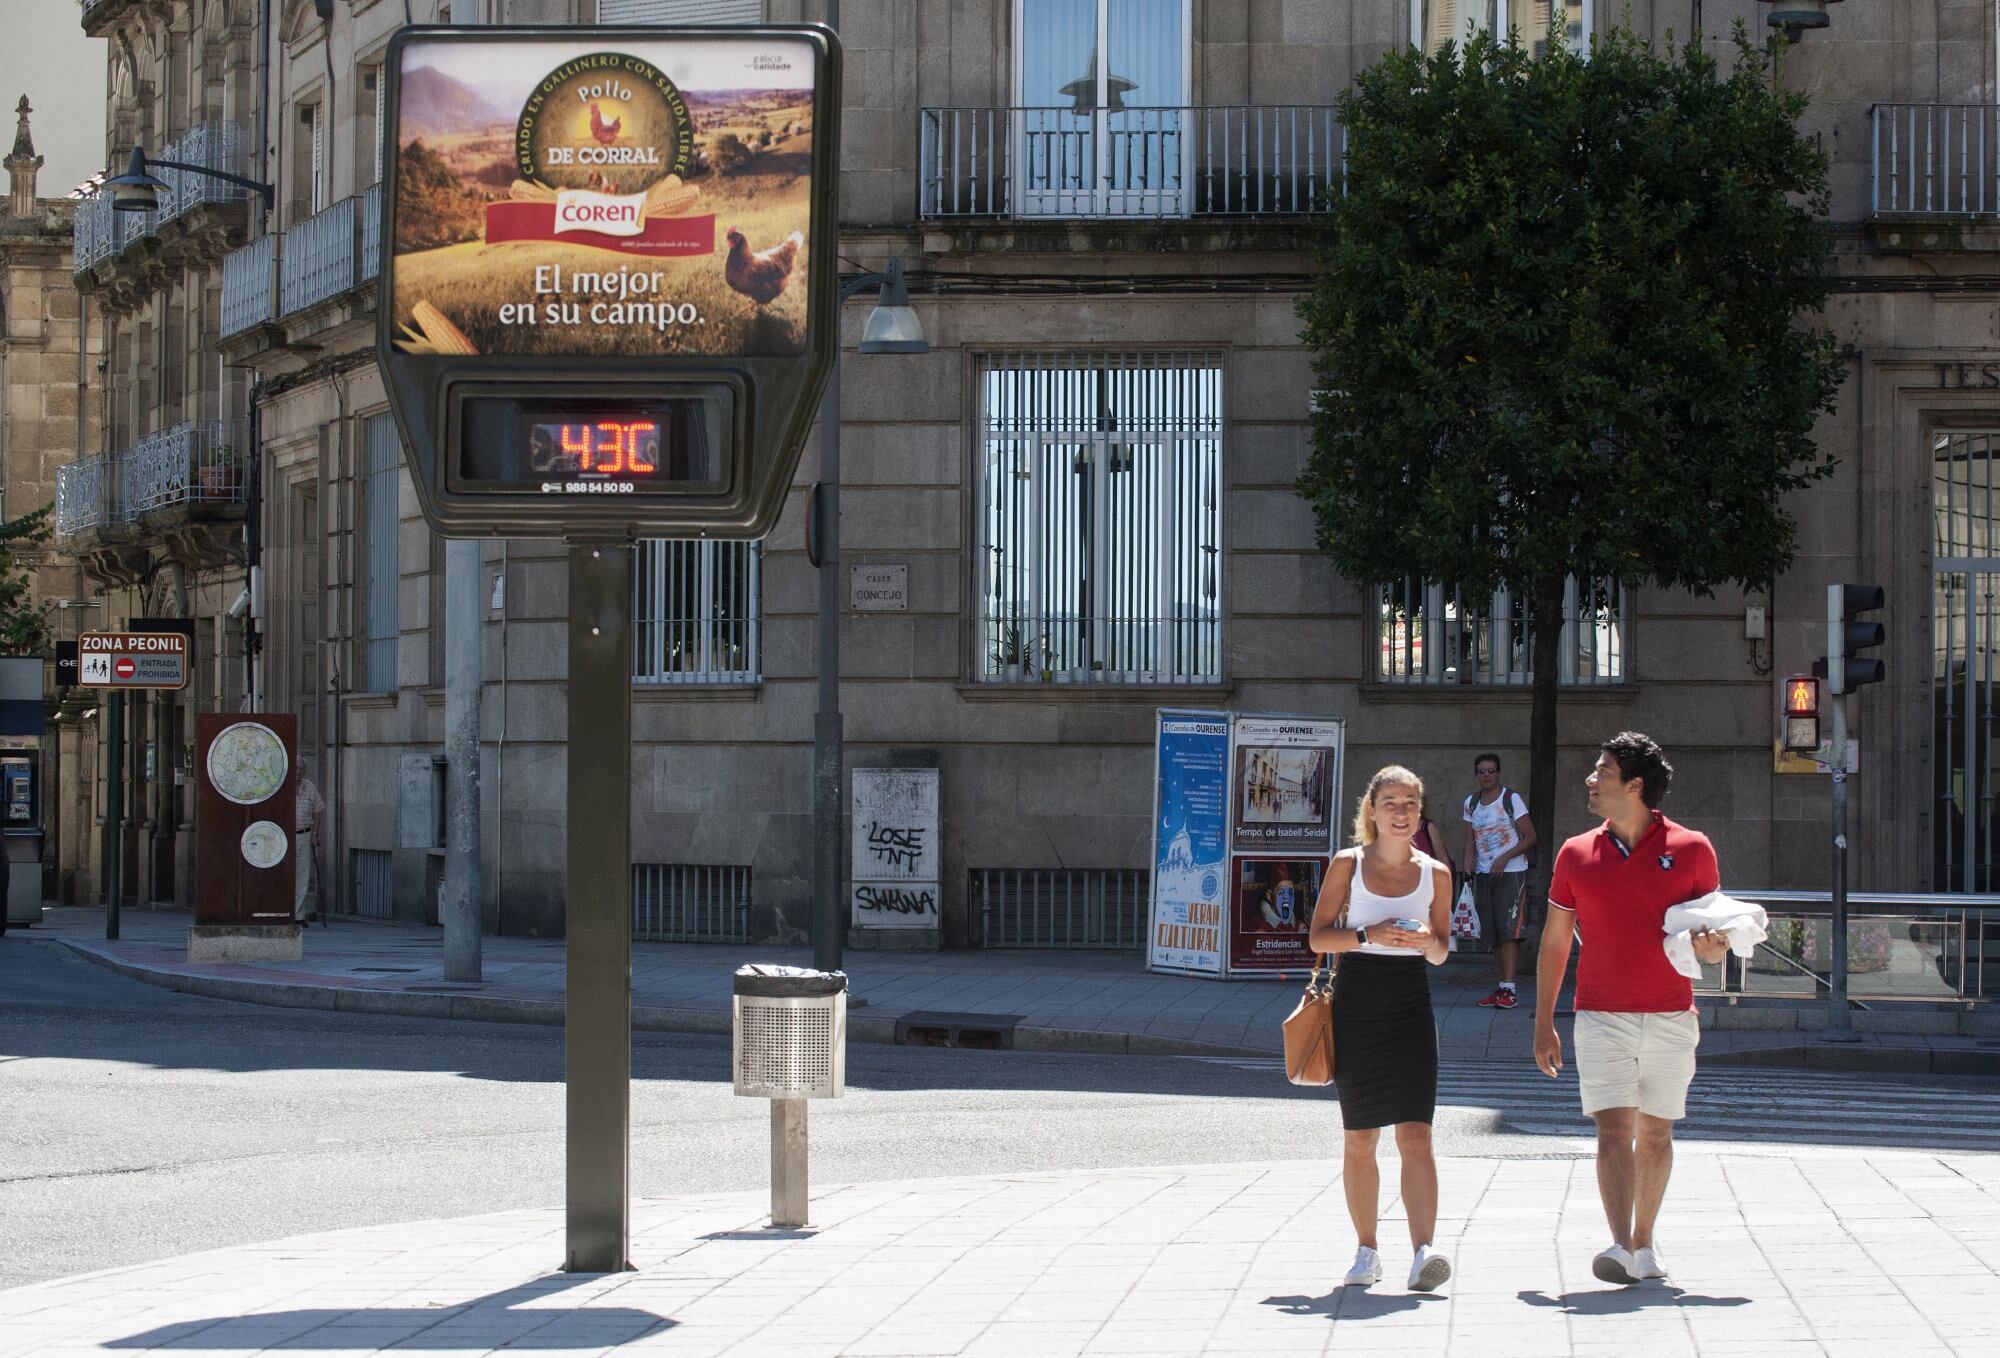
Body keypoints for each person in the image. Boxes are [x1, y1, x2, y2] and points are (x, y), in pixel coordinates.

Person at [1533, 731, 1731, 1286]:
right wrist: (1543, 1021)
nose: (1591, 780)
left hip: (1671, 1013)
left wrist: (1713, 949)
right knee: (1613, 1132)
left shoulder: (1694, 849)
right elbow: (1554, 941)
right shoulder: (1575, 853)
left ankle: (1646, 1243)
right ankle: (1620, 1245)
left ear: (1635, 785)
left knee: (1658, 1134)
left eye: (1603, 771)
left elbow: (1713, 935)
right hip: (1599, 1015)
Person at [1308, 765, 1455, 1294]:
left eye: (1410, 803)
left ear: (1420, 811)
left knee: (1417, 1133)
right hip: (1359, 1001)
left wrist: (1425, 945)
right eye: (1390, 802)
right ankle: (1366, 1250)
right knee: (1360, 1136)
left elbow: (1442, 951)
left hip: (1411, 1002)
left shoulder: (1436, 872)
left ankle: (1424, 1253)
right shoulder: (1348, 864)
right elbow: (1319, 939)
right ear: (1372, 810)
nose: (1400, 812)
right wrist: (1370, 932)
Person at [1460, 752, 1536, 1008]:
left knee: (1509, 932)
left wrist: (1505, 857)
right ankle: (1502, 987)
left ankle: (1511, 990)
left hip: (1512, 872)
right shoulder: (1471, 803)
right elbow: (1470, 839)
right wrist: (1467, 870)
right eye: (1481, 771)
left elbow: (1530, 836)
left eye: (1491, 771)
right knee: (1492, 934)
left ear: (1498, 773)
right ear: (1476, 774)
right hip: (1483, 873)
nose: (1486, 775)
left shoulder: (1511, 799)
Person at [295, 767, 326, 922]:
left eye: (301, 768)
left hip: (304, 835)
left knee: (302, 875)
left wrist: (315, 834)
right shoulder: (282, 787)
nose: (298, 771)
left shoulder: (310, 787)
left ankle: (298, 915)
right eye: (295, 768)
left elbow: (318, 811)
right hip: (284, 837)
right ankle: (286, 913)